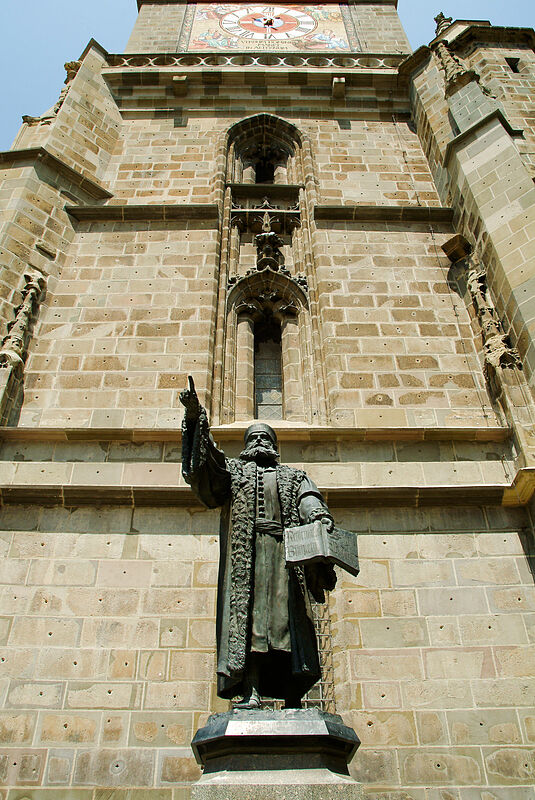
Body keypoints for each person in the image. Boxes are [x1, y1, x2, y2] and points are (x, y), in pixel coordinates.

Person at [180, 377, 337, 709]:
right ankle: (250, 691)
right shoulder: (235, 472)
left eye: (267, 437)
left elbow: (310, 501)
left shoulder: (293, 476)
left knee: (289, 625)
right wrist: (195, 418)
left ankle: (293, 696)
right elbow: (208, 466)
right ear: (247, 444)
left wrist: (319, 517)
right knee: (251, 625)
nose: (261, 441)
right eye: (255, 437)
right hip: (248, 560)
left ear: (275, 445)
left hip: (285, 558)